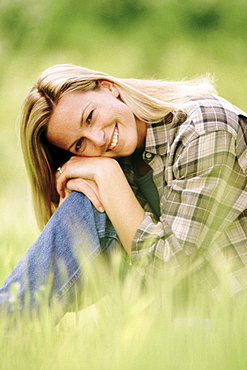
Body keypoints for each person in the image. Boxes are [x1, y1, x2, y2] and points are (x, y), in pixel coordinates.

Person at [1, 64, 247, 319]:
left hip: (231, 324)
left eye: (90, 116)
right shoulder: (121, 160)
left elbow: (170, 268)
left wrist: (107, 174)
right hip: (171, 324)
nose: (98, 139)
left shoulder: (204, 127)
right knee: (87, 198)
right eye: (79, 143)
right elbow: (78, 288)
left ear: (109, 88)